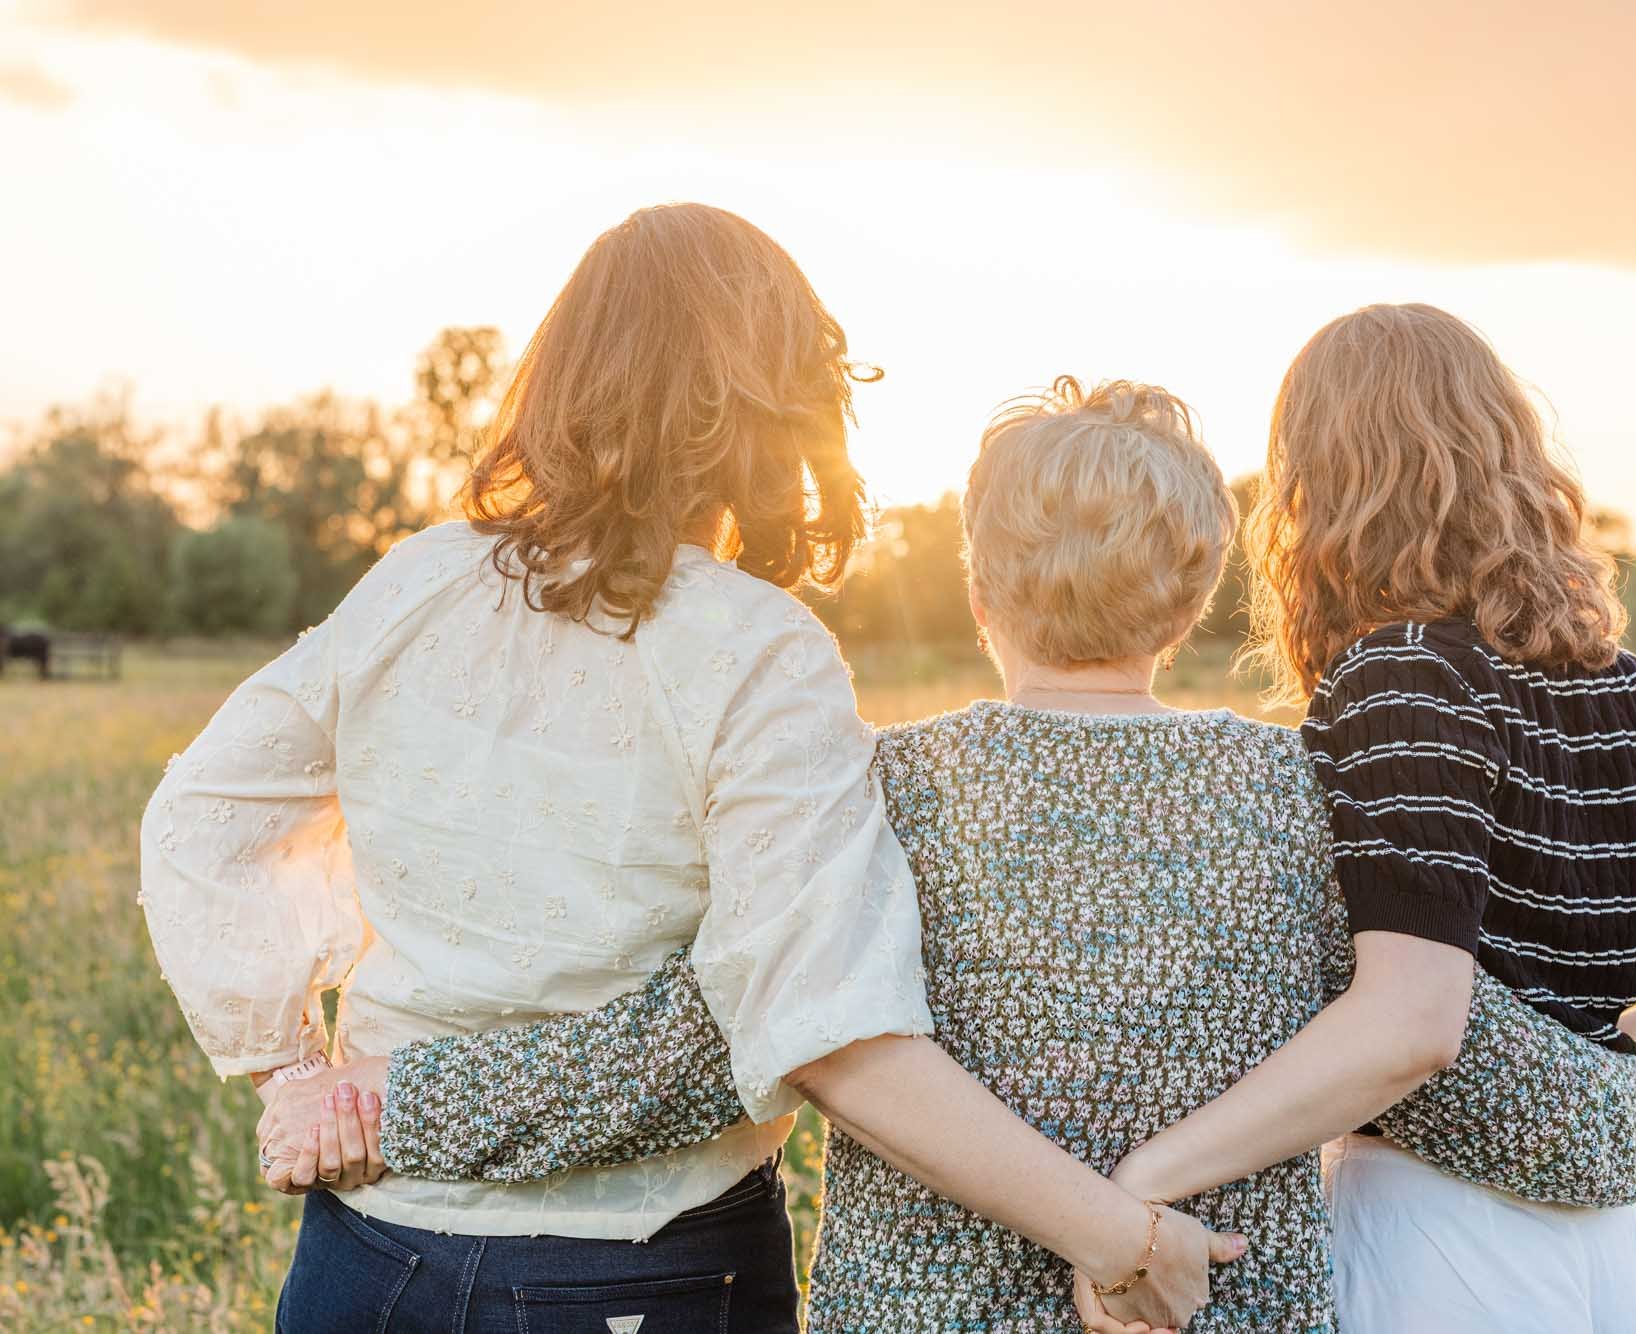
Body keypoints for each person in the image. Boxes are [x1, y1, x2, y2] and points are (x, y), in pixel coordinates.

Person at [305, 378, 1636, 1332]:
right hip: (1224, 1301)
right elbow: (1448, 1051)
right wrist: (1622, 1114)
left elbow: (697, 1038)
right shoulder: (1293, 793)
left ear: (978, 589)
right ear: (1194, 597)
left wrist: (391, 1107)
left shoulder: (879, 793)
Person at [138, 207, 1229, 1333]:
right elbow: (824, 1021)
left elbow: (199, 821)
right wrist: (1122, 1237)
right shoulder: (757, 645)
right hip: (634, 1273)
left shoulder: (418, 579)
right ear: (777, 405)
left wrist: (299, 1084)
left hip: (365, 1257)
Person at [1117, 301, 1636, 1330]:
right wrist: (1594, 1064)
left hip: (1433, 1226)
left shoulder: (1402, 678)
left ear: (1319, 486)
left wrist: (1140, 1184)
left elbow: (1409, 1022)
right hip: (1605, 1244)